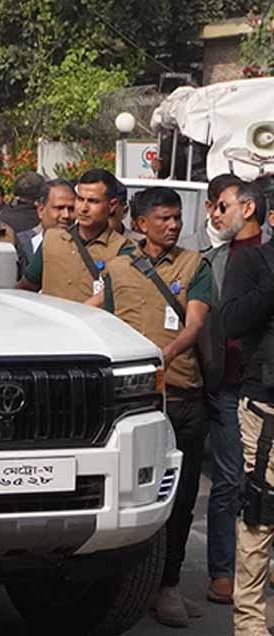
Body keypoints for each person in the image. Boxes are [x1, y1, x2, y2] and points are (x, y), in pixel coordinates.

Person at [99, 187, 211, 627]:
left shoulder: (195, 265)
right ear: (140, 223)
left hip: (183, 397)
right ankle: (128, 586)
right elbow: (103, 322)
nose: (173, 225)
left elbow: (197, 322)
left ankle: (167, 585)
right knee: (131, 499)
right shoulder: (118, 268)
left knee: (181, 500)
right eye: (163, 218)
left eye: (177, 218)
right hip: (132, 407)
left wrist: (164, 356)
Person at [220, 185, 274, 636]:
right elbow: (232, 321)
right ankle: (251, 624)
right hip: (265, 406)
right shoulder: (252, 261)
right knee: (260, 513)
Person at [201, 175, 255, 605]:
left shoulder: (266, 258)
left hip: (264, 387)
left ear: (247, 209)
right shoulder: (214, 260)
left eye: (222, 206)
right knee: (229, 480)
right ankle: (223, 571)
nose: (215, 214)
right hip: (225, 386)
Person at [17, 168, 135, 303]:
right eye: (80, 199)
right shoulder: (52, 240)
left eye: (93, 201)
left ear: (112, 205)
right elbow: (26, 288)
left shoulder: (124, 250)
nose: (83, 208)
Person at [15, 179, 76, 274]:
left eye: (71, 209)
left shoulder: (85, 251)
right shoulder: (22, 248)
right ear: (41, 210)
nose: (66, 215)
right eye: (59, 208)